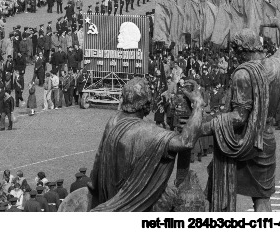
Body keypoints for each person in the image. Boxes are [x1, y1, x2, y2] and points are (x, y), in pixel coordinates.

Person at [73, 77, 206, 211]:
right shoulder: (147, 132)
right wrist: (198, 103)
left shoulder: (113, 120)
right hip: (131, 206)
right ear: (145, 103)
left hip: (109, 195)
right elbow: (186, 142)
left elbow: (98, 162)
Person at [203, 18, 280, 212]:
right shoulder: (277, 64)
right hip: (266, 138)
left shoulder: (243, 74)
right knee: (262, 198)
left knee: (217, 182)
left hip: (243, 140)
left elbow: (239, 117)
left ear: (242, 51)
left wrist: (207, 125)